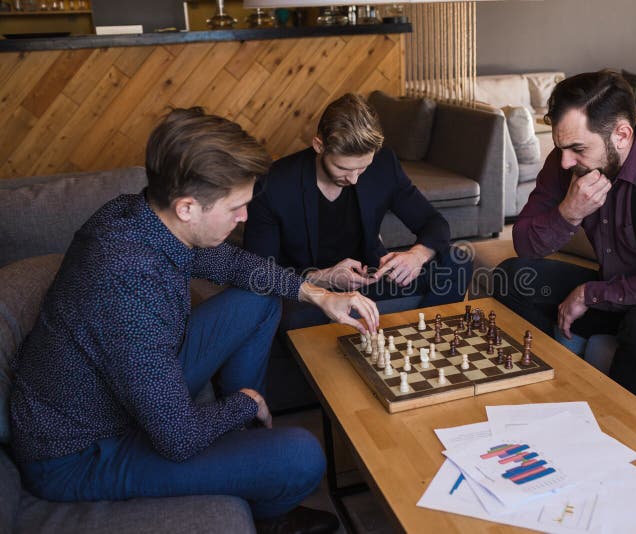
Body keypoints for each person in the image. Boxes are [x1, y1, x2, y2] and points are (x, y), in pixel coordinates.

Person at [9, 107, 379, 534]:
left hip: (132, 385)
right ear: (187, 207)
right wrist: (246, 401)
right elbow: (177, 437)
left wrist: (318, 294)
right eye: (237, 207)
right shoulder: (126, 286)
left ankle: (242, 444)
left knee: (258, 300)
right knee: (301, 456)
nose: (245, 217)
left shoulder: (142, 214)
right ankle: (264, 496)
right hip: (81, 451)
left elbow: (233, 263)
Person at [494, 71, 636, 405]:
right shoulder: (567, 163)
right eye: (561, 148)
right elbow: (526, 245)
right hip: (617, 295)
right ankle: (535, 394)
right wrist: (568, 214)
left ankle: (611, 432)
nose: (565, 161)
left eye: (577, 148)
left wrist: (589, 294)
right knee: (513, 276)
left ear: (621, 134)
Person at [244, 93, 472, 336]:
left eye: (362, 168)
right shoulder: (275, 184)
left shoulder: (383, 164)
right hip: (313, 290)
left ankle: (424, 339)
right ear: (319, 146)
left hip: (371, 278)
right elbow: (259, 271)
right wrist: (323, 278)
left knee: (457, 262)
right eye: (342, 168)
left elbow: (433, 222)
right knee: (288, 316)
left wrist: (417, 255)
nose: (353, 179)